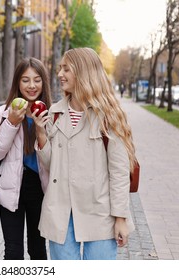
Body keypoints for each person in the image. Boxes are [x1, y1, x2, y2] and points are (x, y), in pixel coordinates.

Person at [33, 47, 136, 260]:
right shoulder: (54, 112)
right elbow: (51, 164)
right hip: (60, 211)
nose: (60, 74)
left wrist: (120, 218)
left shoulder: (108, 116)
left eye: (66, 69)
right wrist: (41, 133)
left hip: (99, 212)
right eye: (60, 68)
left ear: (83, 72)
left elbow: (119, 172)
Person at [0, 57, 51, 260]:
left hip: (41, 189)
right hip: (10, 187)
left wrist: (41, 128)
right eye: (25, 80)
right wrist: (12, 122)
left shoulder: (53, 113)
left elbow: (56, 159)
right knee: (13, 252)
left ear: (44, 82)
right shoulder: (3, 112)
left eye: (37, 80)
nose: (31, 85)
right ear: (17, 82)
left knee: (38, 249)